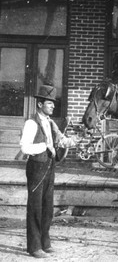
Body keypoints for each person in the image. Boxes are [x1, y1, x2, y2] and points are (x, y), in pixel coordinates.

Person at [19, 85, 78, 259]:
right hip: (36, 167)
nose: (53, 106)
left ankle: (45, 242)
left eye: (53, 103)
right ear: (39, 105)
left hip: (50, 166)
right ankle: (34, 246)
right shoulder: (31, 123)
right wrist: (45, 146)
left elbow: (62, 140)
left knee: (48, 208)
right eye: (49, 103)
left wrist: (75, 141)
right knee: (35, 207)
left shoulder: (51, 122)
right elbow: (24, 147)